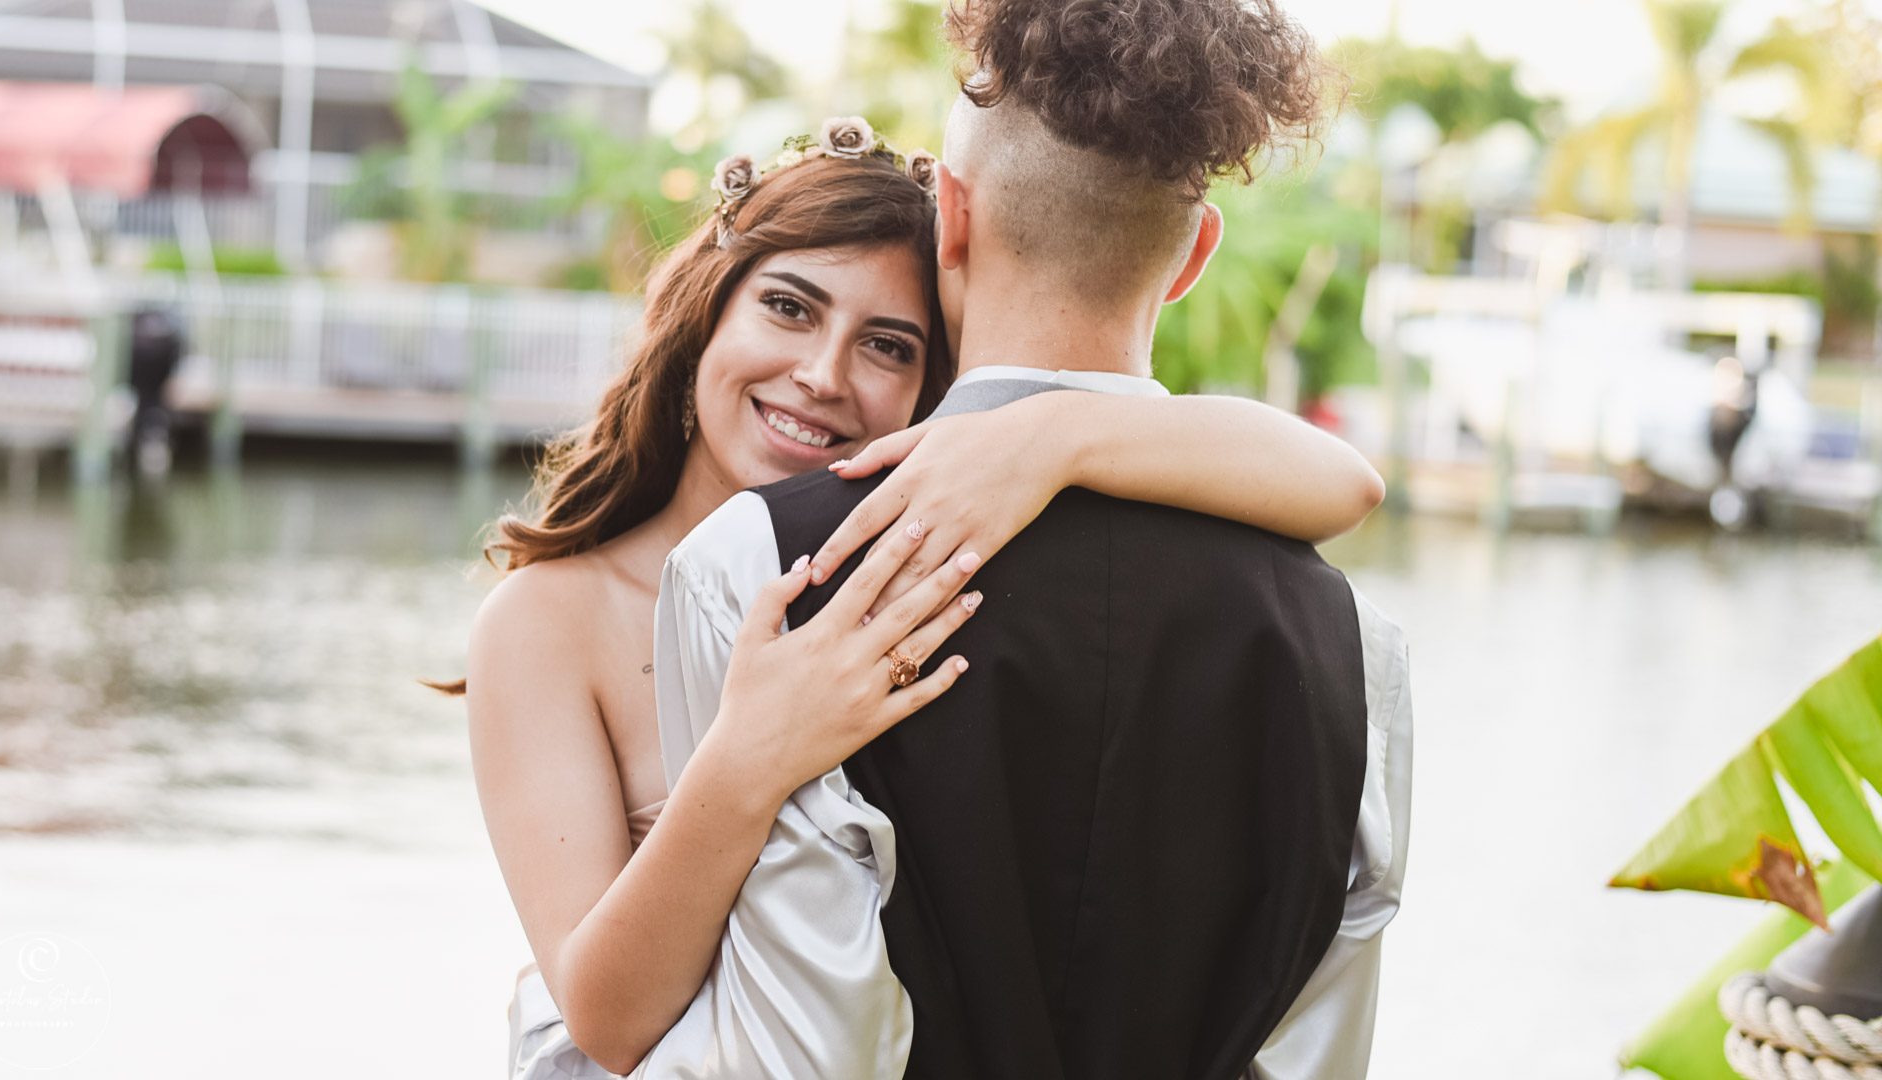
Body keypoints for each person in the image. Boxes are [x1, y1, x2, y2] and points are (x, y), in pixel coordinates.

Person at [465, 113, 1384, 1077]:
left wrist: (1060, 437)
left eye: (889, 347)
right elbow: (606, 1021)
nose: (822, 376)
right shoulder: (550, 620)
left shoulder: (929, 549)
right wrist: (748, 756)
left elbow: (1342, 484)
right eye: (789, 307)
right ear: (710, 310)